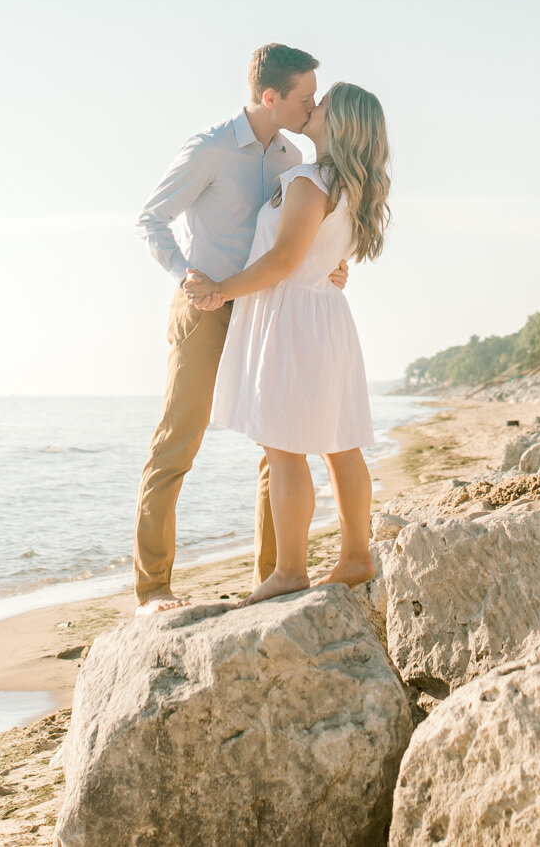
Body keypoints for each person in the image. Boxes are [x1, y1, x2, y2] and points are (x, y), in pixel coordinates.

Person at [132, 44, 347, 617]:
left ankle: (275, 578)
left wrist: (328, 262)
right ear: (271, 97)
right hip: (206, 310)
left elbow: (292, 237)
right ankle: (153, 590)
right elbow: (150, 219)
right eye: (305, 98)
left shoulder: (292, 156)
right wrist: (187, 276)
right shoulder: (210, 148)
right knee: (177, 444)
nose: (313, 107)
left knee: (276, 445)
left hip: (268, 312)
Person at [182, 83, 390, 604]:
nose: (311, 108)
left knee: (285, 446)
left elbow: (282, 262)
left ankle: (291, 570)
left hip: (294, 315)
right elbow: (320, 255)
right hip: (325, 314)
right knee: (340, 443)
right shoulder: (351, 189)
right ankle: (355, 557)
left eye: (321, 106)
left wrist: (219, 290)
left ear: (338, 124)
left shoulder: (308, 181)